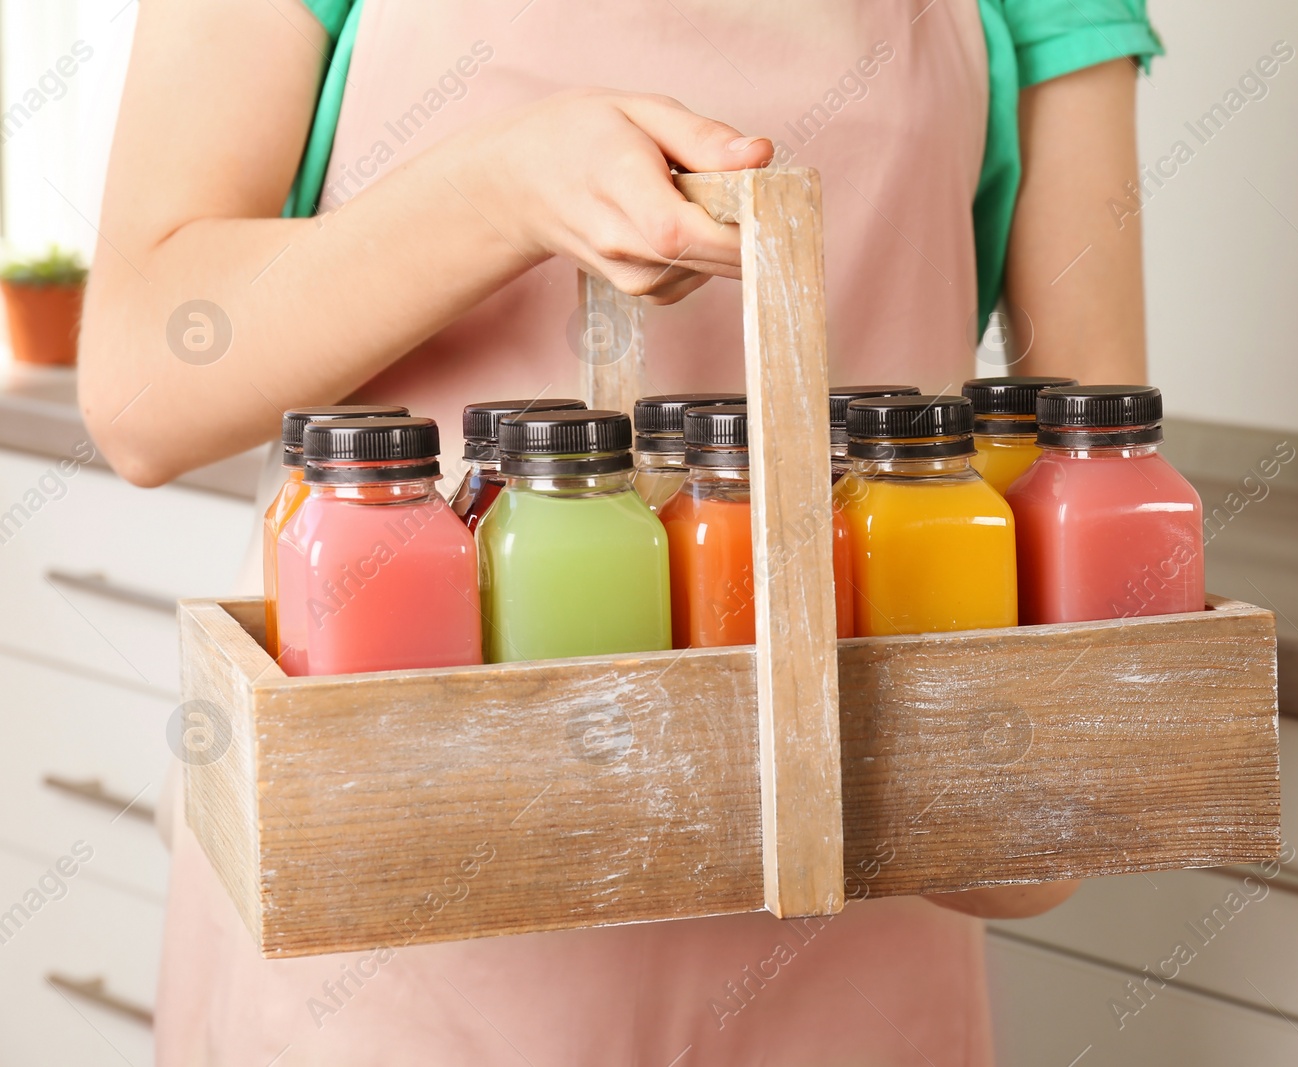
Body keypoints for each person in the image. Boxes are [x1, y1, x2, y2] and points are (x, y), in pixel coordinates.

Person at [79, 1, 1161, 1063]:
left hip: (861, 903)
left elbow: (1094, 446)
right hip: (398, 924)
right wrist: (496, 195)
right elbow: (138, 389)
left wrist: (1036, 762)